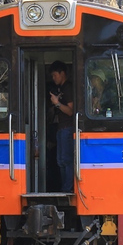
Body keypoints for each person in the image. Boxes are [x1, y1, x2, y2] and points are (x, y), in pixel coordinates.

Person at [49, 60, 74, 193]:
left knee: (66, 160)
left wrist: (57, 103)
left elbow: (71, 111)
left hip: (67, 128)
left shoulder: (68, 88)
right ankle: (65, 188)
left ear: (62, 73)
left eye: (55, 75)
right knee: (60, 161)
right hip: (61, 128)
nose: (53, 78)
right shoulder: (61, 89)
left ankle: (67, 189)